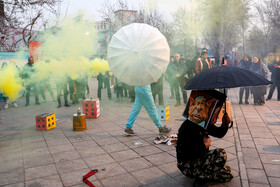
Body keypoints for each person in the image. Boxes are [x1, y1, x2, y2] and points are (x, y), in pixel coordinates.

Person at [176, 111, 233, 186]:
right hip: (188, 165)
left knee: (228, 173)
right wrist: (205, 145)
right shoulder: (188, 126)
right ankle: (201, 179)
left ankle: (204, 174)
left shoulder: (203, 122)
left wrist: (224, 124)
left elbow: (218, 133)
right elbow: (188, 153)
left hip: (199, 159)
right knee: (221, 154)